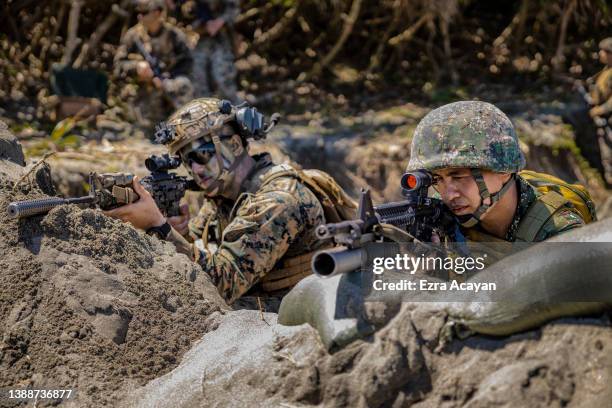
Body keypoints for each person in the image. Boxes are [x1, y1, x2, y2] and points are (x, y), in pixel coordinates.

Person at [104, 98, 355, 307]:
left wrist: (158, 226)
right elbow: (200, 252)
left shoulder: (277, 200)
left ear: (234, 145)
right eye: (185, 161)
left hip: (300, 311)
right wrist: (179, 233)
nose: (194, 169)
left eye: (200, 155)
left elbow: (220, 286)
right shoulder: (222, 197)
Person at [405, 100, 596, 244]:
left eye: (458, 176)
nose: (448, 195)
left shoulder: (560, 233)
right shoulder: (442, 223)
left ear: (504, 170)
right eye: (438, 179)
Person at [114, 0, 194, 131]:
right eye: (138, 12)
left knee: (183, 84)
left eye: (144, 12)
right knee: (148, 130)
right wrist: (136, 66)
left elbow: (187, 61)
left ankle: (184, 125)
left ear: (157, 13)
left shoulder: (173, 35)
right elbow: (118, 64)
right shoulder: (133, 36)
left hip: (169, 82)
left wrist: (168, 77)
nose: (140, 16)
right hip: (142, 86)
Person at [178, 0, 240, 102]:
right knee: (199, 82)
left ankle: (237, 113)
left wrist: (220, 21)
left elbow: (234, 9)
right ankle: (206, 112)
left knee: (224, 81)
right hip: (200, 41)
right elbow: (184, 15)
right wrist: (199, 25)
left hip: (222, 39)